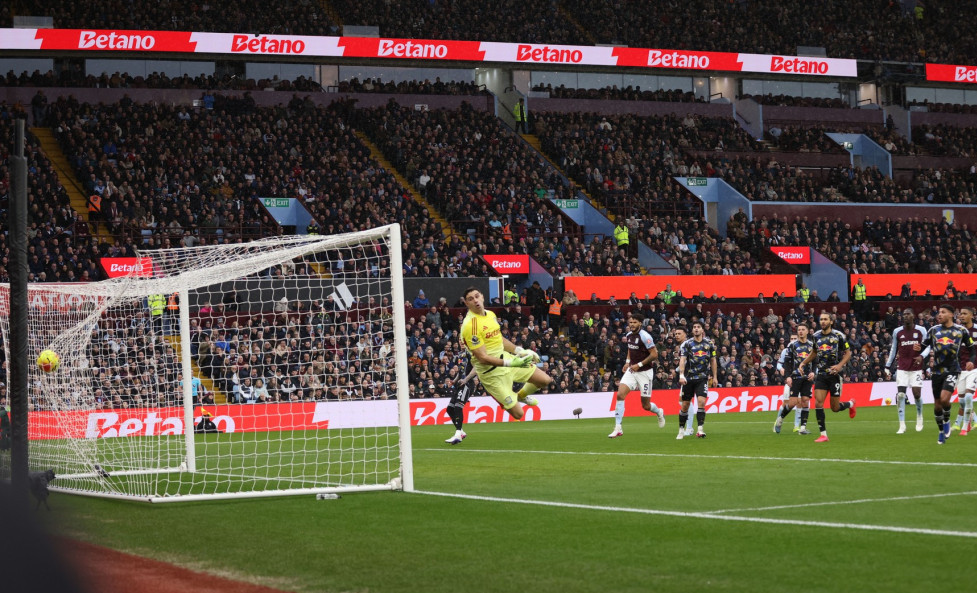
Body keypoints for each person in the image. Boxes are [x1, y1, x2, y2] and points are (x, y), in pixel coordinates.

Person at [459, 287, 554, 420]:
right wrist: (510, 363)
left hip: (507, 359)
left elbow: (499, 339)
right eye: (470, 299)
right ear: (466, 303)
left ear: (482, 296)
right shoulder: (470, 326)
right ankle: (503, 396)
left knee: (545, 380)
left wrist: (519, 351)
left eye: (476, 296)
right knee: (518, 414)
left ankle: (521, 395)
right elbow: (483, 358)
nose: (475, 300)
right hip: (491, 373)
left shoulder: (490, 314)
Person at [799, 313, 856, 443]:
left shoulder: (839, 336)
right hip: (822, 375)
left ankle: (851, 404)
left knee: (834, 408)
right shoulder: (816, 336)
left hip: (835, 376)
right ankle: (823, 435)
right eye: (821, 319)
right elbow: (814, 352)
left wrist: (840, 365)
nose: (823, 321)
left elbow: (848, 353)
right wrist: (804, 362)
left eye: (825, 319)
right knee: (818, 403)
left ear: (831, 321)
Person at [925, 304, 976, 444]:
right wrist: (918, 353)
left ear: (951, 314)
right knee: (938, 405)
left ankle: (955, 423)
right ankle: (941, 430)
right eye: (939, 312)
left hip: (956, 369)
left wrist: (972, 361)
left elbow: (972, 350)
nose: (939, 314)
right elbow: (924, 347)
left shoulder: (962, 331)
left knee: (949, 398)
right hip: (936, 371)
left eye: (943, 312)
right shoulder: (933, 330)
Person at [608, 313, 665, 438]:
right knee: (620, 395)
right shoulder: (628, 335)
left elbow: (655, 354)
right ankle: (618, 428)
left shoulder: (645, 336)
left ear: (640, 323)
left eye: (634, 322)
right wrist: (628, 362)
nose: (632, 324)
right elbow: (630, 349)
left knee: (646, 406)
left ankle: (659, 412)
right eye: (630, 322)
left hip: (645, 372)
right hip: (632, 371)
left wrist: (639, 364)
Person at [886, 308, 929, 434]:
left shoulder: (921, 330)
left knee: (916, 394)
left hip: (916, 367)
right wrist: (887, 366)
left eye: (908, 314)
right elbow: (893, 349)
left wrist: (921, 356)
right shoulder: (897, 331)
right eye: (904, 314)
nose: (905, 316)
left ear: (913, 316)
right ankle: (902, 425)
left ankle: (919, 416)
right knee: (900, 395)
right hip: (902, 367)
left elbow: (928, 346)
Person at [677, 320, 717, 439]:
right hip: (688, 378)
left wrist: (715, 377)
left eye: (698, 327)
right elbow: (682, 360)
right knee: (685, 405)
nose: (696, 329)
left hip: (702, 378)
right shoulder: (687, 344)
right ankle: (681, 429)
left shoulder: (709, 344)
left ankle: (700, 430)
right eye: (694, 327)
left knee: (701, 402)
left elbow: (713, 360)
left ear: (702, 329)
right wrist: (681, 375)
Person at [774, 324, 815, 435]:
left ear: (807, 331)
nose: (800, 331)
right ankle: (780, 419)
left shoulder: (812, 345)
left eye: (803, 329)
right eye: (799, 330)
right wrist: (787, 376)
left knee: (805, 400)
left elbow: (816, 361)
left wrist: (813, 372)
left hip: (807, 377)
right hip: (795, 376)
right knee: (792, 403)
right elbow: (787, 363)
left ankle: (802, 428)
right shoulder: (793, 346)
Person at [953, 306, 977, 435]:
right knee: (962, 400)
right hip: (960, 370)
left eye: (964, 313)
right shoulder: (957, 331)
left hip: (975, 369)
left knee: (968, 396)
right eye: (960, 313)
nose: (961, 316)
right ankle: (972, 420)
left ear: (972, 315)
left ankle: (964, 427)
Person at [445, 360, 478, 445]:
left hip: (467, 384)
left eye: (464, 344)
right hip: (459, 384)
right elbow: (460, 372)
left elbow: (476, 368)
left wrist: (466, 380)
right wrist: (454, 381)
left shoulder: (472, 354)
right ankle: (461, 432)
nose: (462, 345)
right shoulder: (461, 355)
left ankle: (458, 433)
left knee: (458, 407)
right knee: (449, 409)